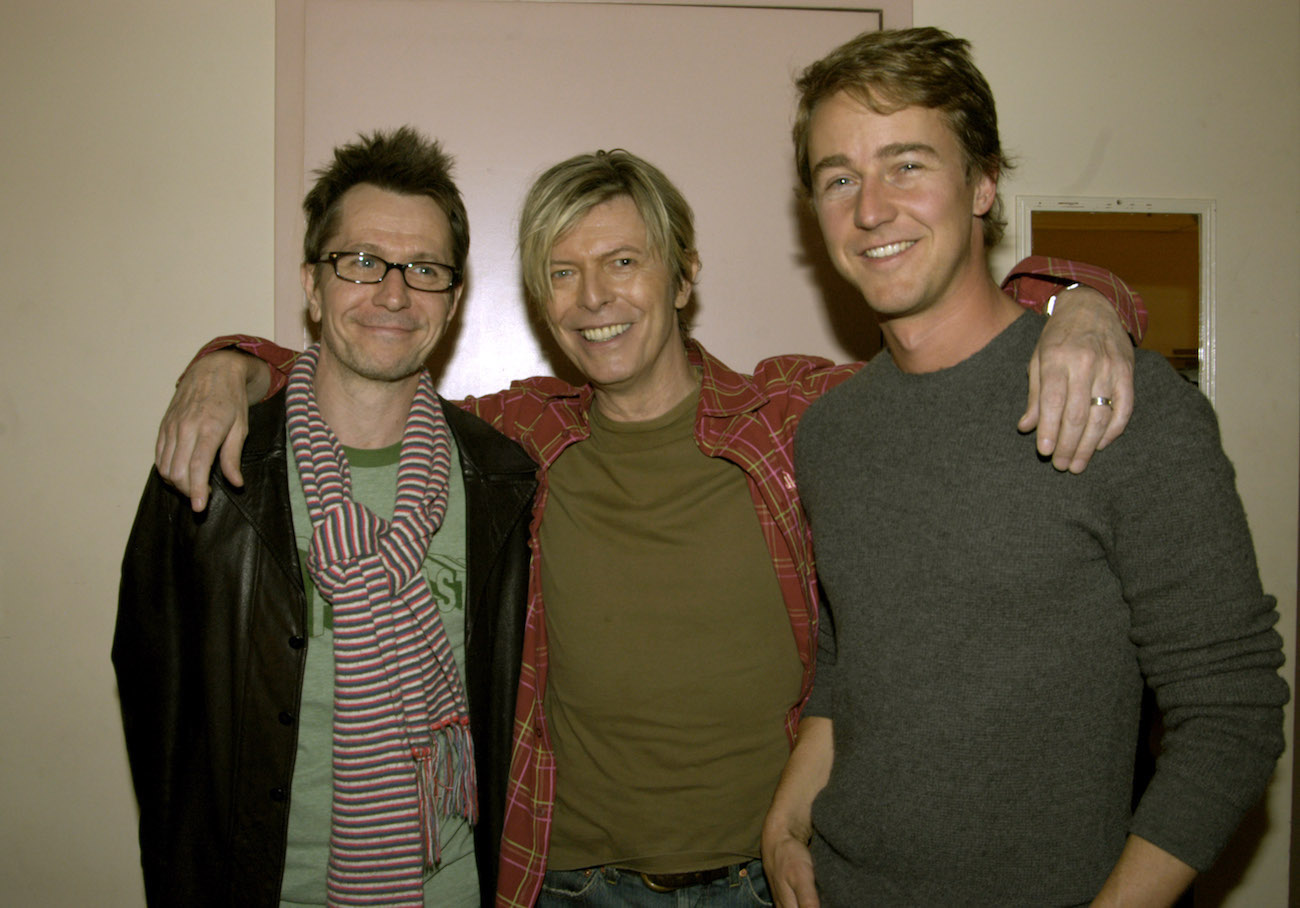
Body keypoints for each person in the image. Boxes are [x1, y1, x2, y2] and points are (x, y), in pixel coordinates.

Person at [152, 147, 1142, 907]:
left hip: (775, 874)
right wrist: (231, 360)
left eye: (623, 261)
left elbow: (953, 347)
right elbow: (366, 360)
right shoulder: (511, 440)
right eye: (564, 271)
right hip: (570, 876)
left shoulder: (793, 417)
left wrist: (1081, 301)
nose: (594, 298)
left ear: (681, 274)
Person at [762, 27, 1289, 908]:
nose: (870, 210)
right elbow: (850, 656)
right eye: (839, 178)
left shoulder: (1119, 403)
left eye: (907, 165)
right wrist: (783, 826)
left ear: (982, 182)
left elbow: (1232, 713)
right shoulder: (831, 432)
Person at [113, 127, 537, 908]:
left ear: (453, 299)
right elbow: (156, 708)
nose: (394, 293)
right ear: (313, 286)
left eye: (425, 269)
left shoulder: (505, 479)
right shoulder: (213, 471)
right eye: (363, 262)